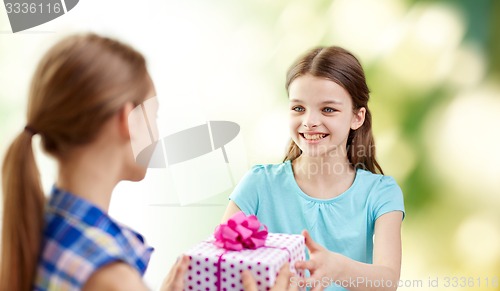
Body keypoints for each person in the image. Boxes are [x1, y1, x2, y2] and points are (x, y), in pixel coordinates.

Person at [0, 33, 295, 291]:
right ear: (127, 119)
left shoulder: (36, 228)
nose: (157, 130)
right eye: (153, 114)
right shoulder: (113, 279)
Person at [223, 46, 405, 291]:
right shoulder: (258, 184)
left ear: (357, 117)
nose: (309, 122)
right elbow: (222, 263)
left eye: (328, 109)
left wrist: (336, 267)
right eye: (298, 108)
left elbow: (388, 280)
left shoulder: (381, 193)